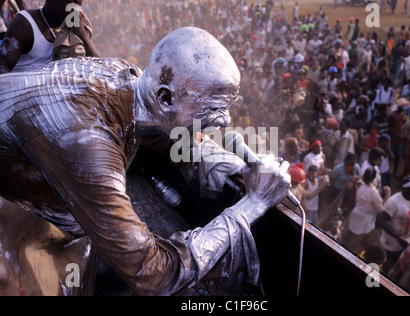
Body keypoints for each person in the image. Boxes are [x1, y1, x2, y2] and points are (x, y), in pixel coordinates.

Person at [0, 27, 292, 296]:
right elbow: (153, 274)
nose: (226, 120)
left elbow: (164, 137)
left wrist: (239, 168)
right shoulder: (87, 142)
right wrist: (253, 204)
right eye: (215, 108)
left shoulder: (129, 79)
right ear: (165, 99)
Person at [0, 0, 99, 74]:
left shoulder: (73, 28)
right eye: (70, 3)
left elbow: (99, 66)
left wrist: (83, 35)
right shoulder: (25, 23)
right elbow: (2, 67)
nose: (75, 9)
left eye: (78, 4)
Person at [377, 176, 410, 272]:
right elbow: (381, 222)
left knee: (399, 269)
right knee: (387, 269)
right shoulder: (393, 202)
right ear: (405, 189)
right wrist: (399, 238)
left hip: (407, 243)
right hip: (390, 244)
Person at [342, 167, 391, 255]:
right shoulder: (373, 193)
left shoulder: (360, 185)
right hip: (365, 218)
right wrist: (387, 195)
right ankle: (346, 253)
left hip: (357, 213)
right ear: (374, 178)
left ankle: (361, 250)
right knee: (356, 238)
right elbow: (381, 209)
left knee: (355, 233)